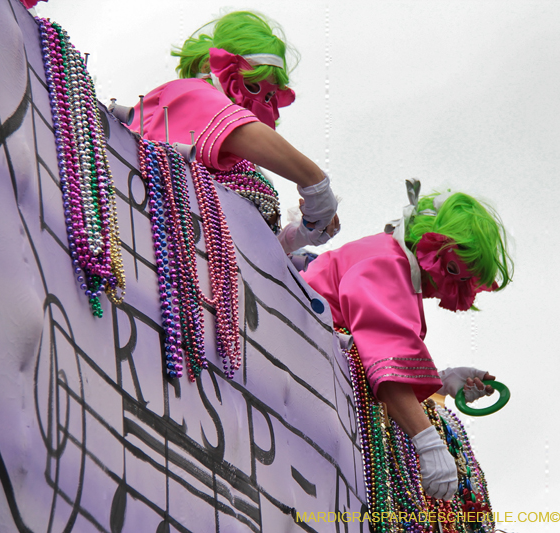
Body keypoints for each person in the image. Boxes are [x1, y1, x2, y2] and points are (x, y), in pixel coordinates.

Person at [301, 180, 514, 500]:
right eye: (455, 270)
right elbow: (383, 354)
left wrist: (441, 383)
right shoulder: (390, 265)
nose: (453, 286)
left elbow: (379, 349)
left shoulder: (391, 259)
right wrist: (428, 441)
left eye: (468, 280)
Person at [129, 11, 338, 251]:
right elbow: (240, 130)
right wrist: (315, 183)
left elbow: (243, 254)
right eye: (251, 86)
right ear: (211, 68)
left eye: (269, 96)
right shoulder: (186, 94)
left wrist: (295, 238)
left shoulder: (244, 160)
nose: (259, 102)